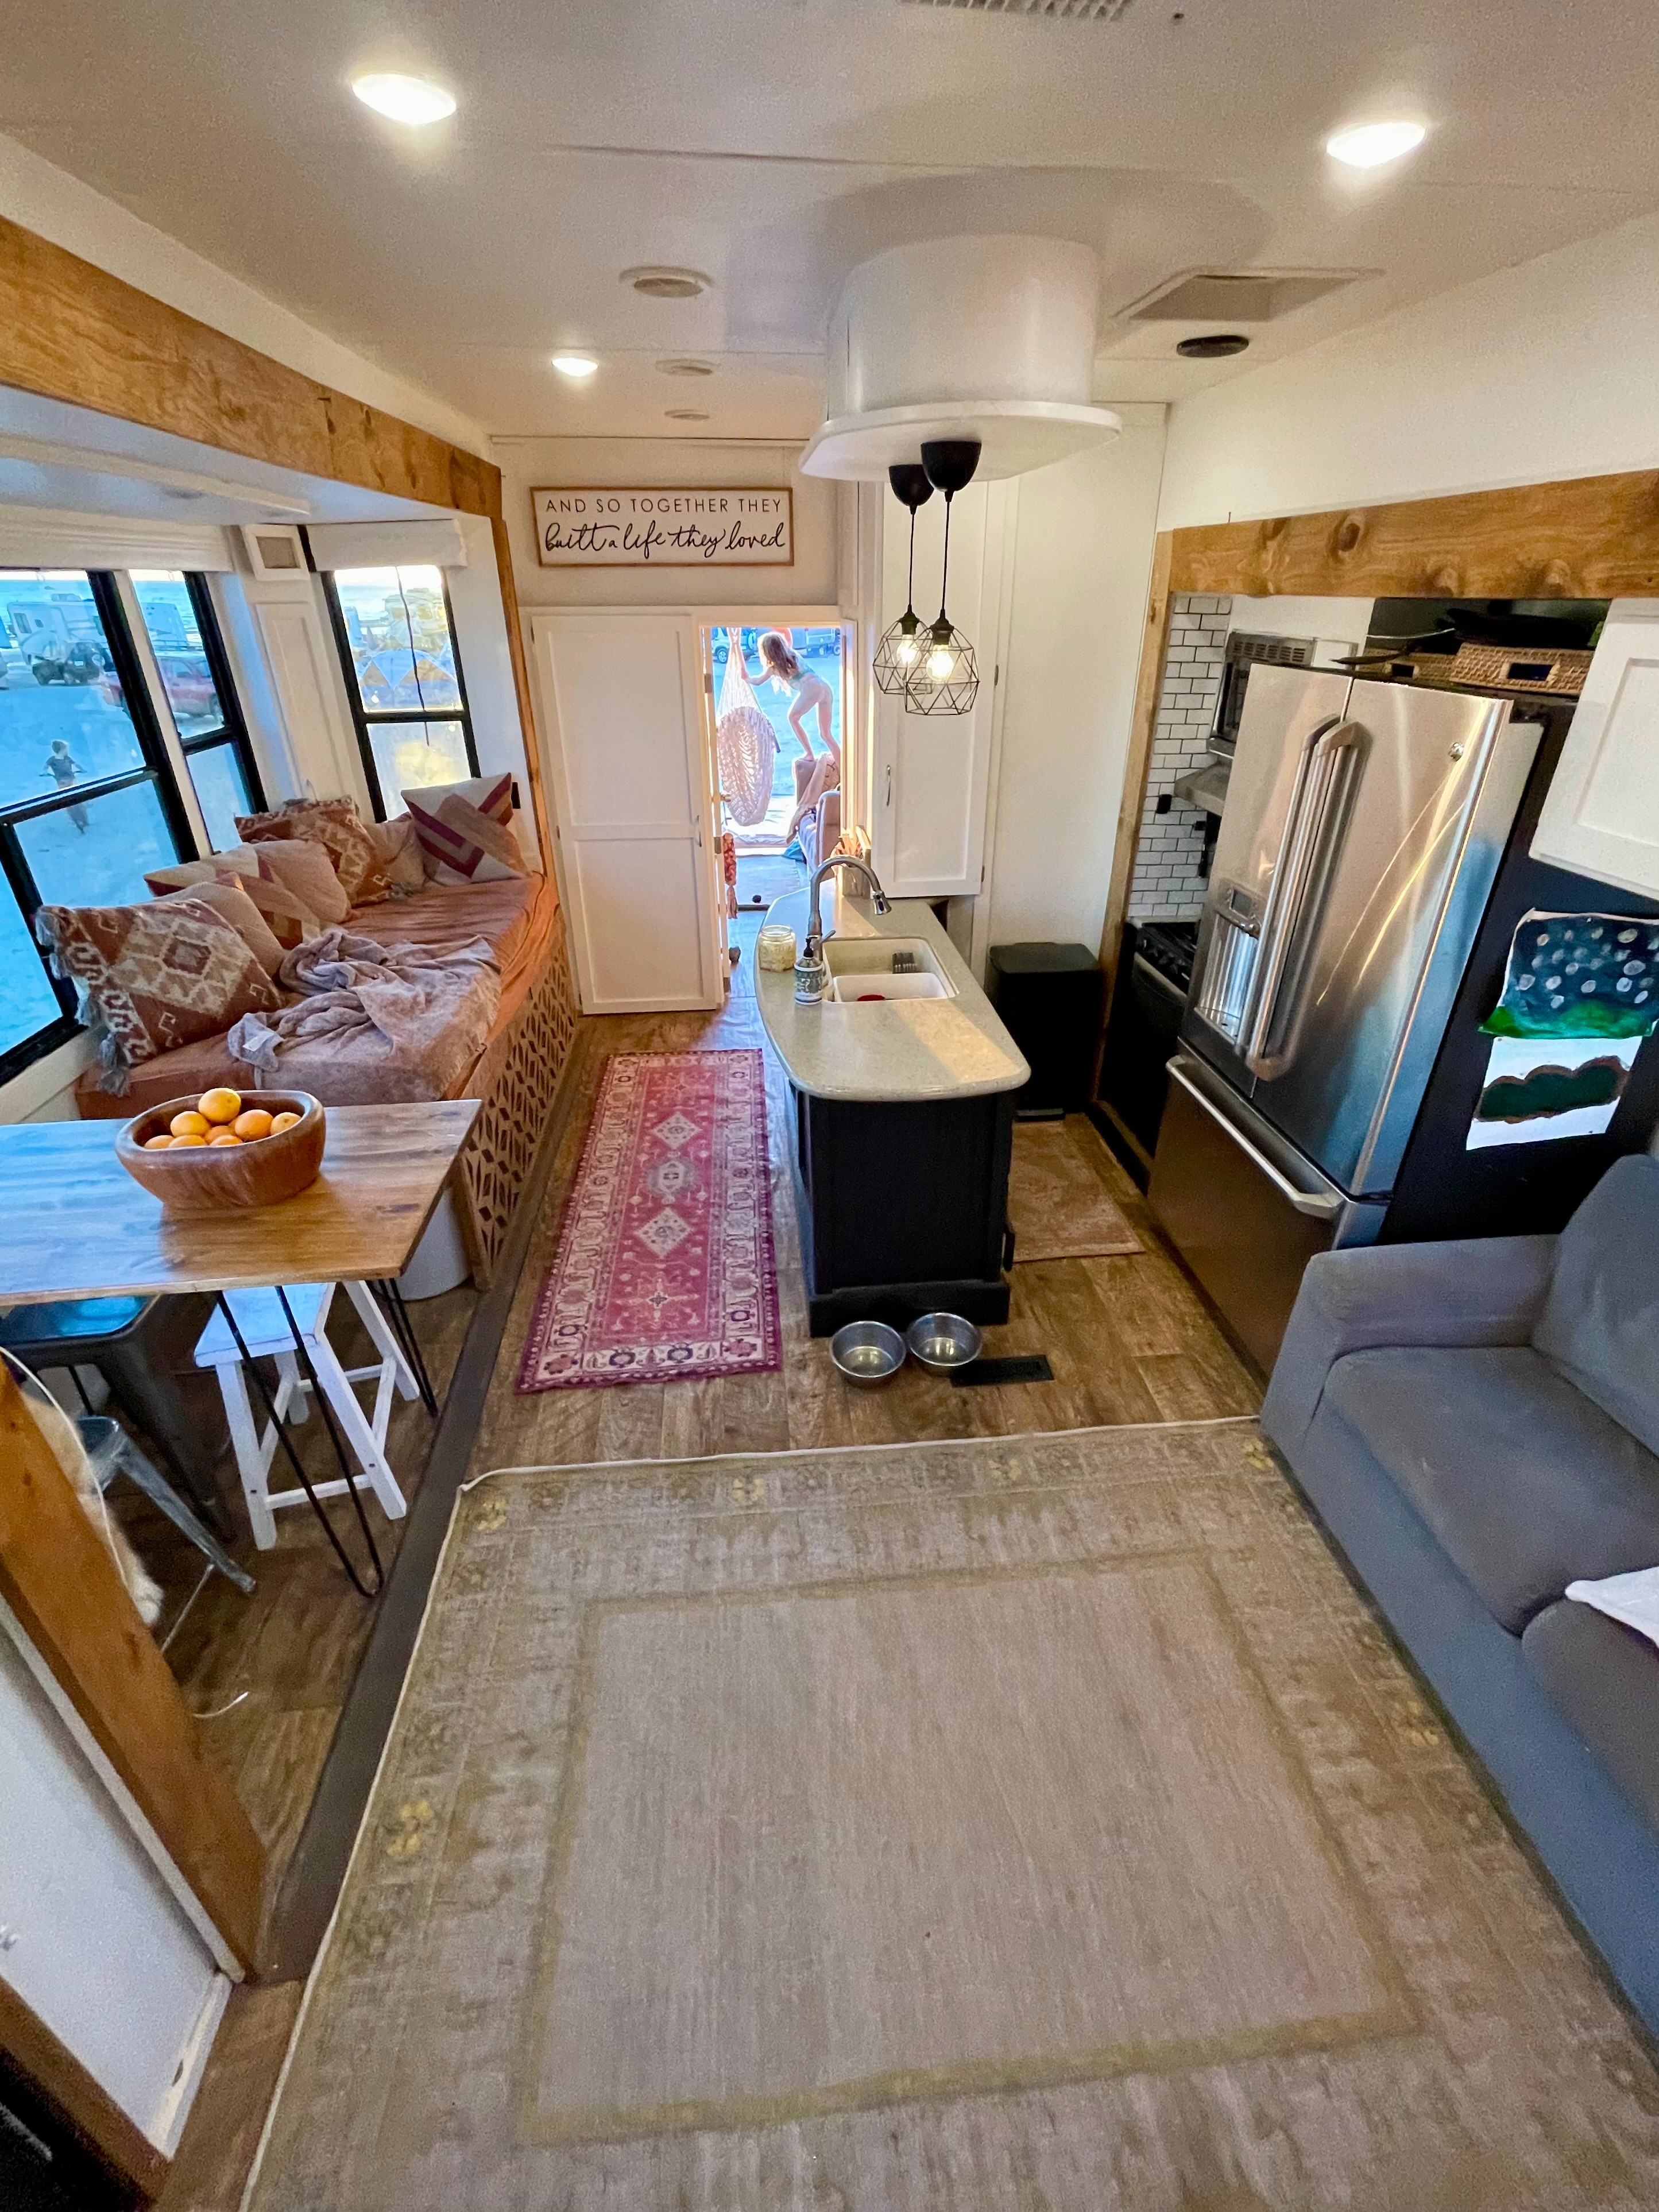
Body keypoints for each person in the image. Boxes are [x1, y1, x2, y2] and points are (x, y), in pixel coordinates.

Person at [744, 631, 839, 860]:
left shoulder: (775, 666)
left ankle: (808, 752)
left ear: (768, 653)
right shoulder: (792, 655)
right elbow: (786, 637)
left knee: (792, 717)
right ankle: (842, 763)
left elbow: (757, 681)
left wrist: (744, 677)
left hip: (812, 689)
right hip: (824, 687)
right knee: (826, 734)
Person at [42, 737, 88, 832]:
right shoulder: (60, 759)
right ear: (62, 750)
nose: (67, 751)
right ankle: (81, 819)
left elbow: (45, 768)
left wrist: (45, 773)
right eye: (66, 749)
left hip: (65, 782)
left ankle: (81, 820)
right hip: (67, 781)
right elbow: (77, 765)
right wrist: (82, 770)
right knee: (75, 801)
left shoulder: (55, 760)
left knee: (71, 802)